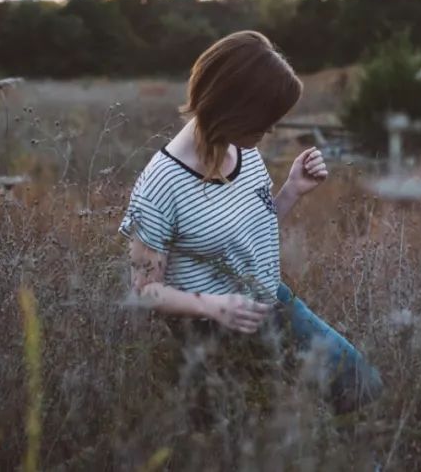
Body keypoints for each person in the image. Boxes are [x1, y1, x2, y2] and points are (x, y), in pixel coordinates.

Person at [118, 30, 383, 415]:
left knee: (359, 386)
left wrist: (292, 190)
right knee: (257, 436)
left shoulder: (242, 150)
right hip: (212, 335)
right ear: (232, 106)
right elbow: (144, 291)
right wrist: (215, 307)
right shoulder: (160, 185)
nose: (270, 130)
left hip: (272, 301)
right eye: (264, 119)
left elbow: (247, 232)